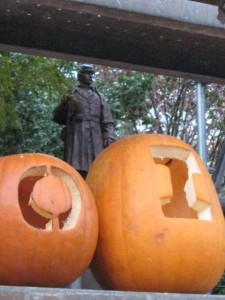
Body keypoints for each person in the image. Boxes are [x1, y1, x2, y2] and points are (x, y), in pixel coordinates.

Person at [53, 64, 115, 178]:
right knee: (75, 169)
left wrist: (109, 136)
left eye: (92, 74)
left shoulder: (99, 96)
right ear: (80, 75)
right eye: (87, 73)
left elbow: (107, 120)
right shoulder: (71, 94)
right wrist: (64, 104)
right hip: (77, 135)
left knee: (97, 168)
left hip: (96, 137)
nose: (90, 76)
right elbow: (58, 118)